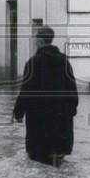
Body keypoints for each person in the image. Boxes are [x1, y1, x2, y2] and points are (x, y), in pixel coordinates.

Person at [13, 26, 79, 167]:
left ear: (41, 41)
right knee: (58, 162)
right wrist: (71, 111)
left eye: (36, 39)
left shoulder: (32, 63)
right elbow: (72, 90)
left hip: (39, 122)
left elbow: (26, 91)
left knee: (39, 165)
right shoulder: (65, 63)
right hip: (61, 122)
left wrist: (18, 112)